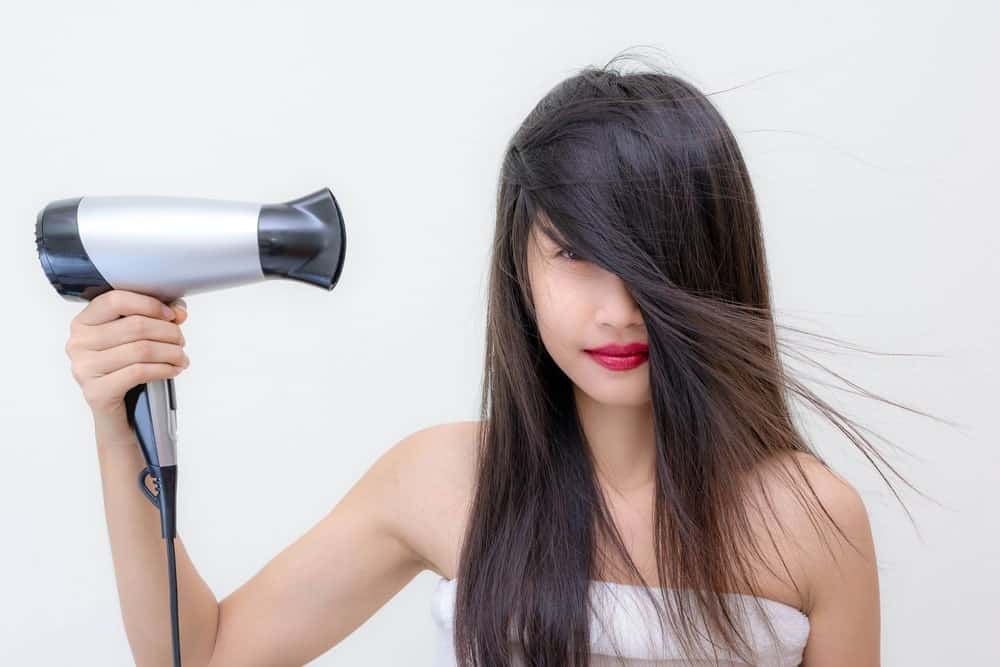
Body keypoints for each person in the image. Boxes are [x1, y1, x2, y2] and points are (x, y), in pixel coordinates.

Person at [65, 56, 895, 666]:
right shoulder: (445, 479)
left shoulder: (813, 521)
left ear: (713, 259)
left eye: (648, 257)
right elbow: (201, 656)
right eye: (574, 252)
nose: (617, 308)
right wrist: (119, 428)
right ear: (519, 265)